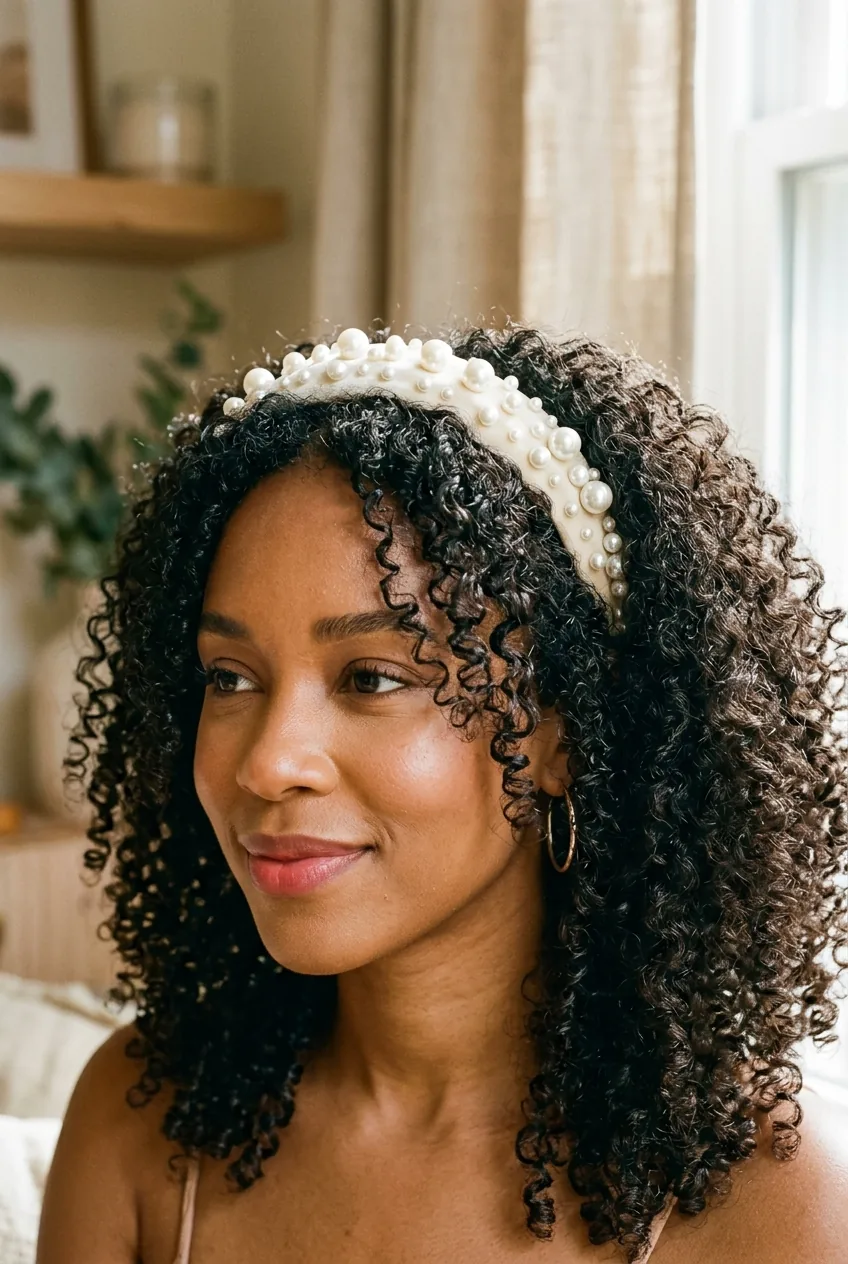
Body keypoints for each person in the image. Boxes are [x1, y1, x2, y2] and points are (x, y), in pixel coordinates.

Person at [38, 326, 848, 1263]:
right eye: (229, 678)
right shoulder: (144, 1124)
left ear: (562, 735)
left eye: (371, 678)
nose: (267, 764)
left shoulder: (768, 1199)